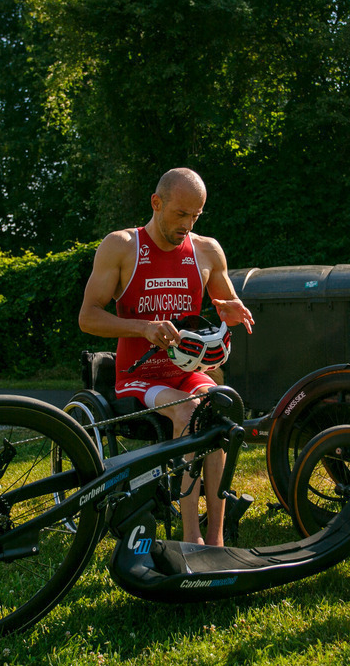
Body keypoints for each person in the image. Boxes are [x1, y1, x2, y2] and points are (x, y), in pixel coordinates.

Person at [79, 168, 255, 546]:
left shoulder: (207, 250)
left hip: (187, 371)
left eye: (196, 216)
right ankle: (191, 541)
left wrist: (230, 311)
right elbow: (88, 317)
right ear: (156, 203)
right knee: (191, 412)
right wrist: (143, 328)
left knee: (220, 406)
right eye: (180, 214)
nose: (188, 225)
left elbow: (226, 303)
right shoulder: (122, 245)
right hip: (139, 377)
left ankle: (217, 538)